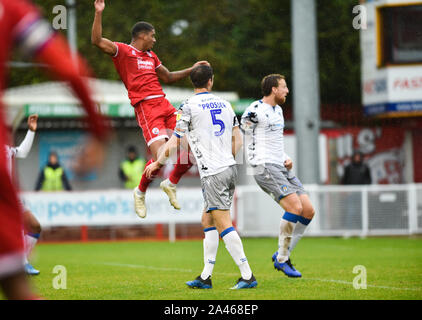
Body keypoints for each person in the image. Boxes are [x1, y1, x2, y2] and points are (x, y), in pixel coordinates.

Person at [0, 0, 110, 299]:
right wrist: (98, 131)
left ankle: (22, 260)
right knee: (15, 285)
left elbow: (19, 152)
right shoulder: (11, 9)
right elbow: (68, 68)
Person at [91, 0, 209, 218]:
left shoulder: (151, 56)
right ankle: (140, 191)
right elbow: (97, 41)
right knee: (161, 158)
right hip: (147, 108)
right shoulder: (124, 51)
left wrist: (193, 69)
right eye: (152, 36)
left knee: (194, 147)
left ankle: (171, 183)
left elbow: (169, 76)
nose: (154, 40)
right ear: (142, 35)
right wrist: (99, 13)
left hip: (164, 105)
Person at [145, 65, 257, 289]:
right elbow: (239, 141)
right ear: (211, 81)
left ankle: (248, 276)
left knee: (224, 223)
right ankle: (206, 277)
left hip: (214, 173)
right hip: (228, 168)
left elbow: (176, 140)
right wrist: (225, 158)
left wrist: (158, 162)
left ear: (192, 82)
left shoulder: (187, 106)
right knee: (207, 220)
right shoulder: (226, 105)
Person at [240, 74, 316, 278]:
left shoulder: (279, 110)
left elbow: (273, 141)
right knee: (295, 207)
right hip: (263, 166)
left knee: (307, 211)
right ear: (274, 89)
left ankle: (282, 254)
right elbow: (242, 135)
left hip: (280, 165)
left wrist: (285, 157)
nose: (287, 91)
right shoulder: (254, 111)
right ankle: (283, 259)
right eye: (284, 87)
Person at [5, 114, 42, 276]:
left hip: (10, 198)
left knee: (34, 226)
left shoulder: (6, 149)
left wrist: (31, 131)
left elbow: (22, 152)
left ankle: (22, 262)